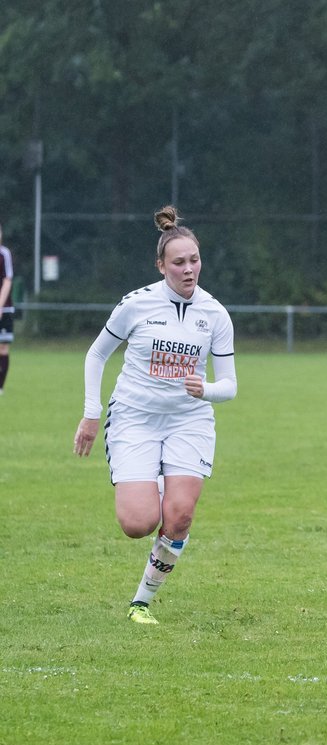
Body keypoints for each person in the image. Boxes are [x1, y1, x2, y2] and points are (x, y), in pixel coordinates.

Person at [73, 206, 238, 623]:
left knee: (180, 515)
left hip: (189, 420)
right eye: (179, 262)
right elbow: (97, 355)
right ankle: (159, 482)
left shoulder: (215, 314)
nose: (189, 269)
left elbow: (230, 385)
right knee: (138, 523)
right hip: (134, 418)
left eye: (195, 260)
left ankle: (141, 602)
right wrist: (91, 414)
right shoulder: (136, 304)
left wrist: (208, 390)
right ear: (161, 265)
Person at [0, 223, 14, 395]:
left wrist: (1, 305)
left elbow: (8, 280)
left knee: (3, 347)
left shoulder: (4, 254)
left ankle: (1, 386)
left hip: (6, 308)